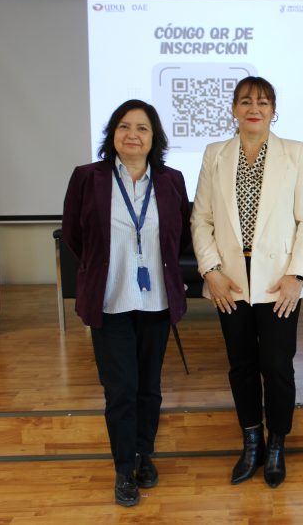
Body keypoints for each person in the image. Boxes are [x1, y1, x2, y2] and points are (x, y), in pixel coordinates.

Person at [191, 76, 303, 489]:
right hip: (229, 281)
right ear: (234, 108)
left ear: (273, 111)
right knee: (242, 365)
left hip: (279, 283)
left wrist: (296, 276)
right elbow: (201, 220)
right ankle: (252, 443)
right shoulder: (215, 154)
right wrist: (210, 271)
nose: (254, 108)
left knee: (278, 366)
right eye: (246, 101)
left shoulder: (295, 153)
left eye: (263, 102)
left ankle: (277, 443)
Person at [62, 99, 191, 507]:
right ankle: (123, 469)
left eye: (142, 128)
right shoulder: (88, 177)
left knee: (149, 388)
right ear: (112, 134)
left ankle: (143, 454)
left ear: (155, 138)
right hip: (110, 299)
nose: (132, 135)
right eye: (124, 126)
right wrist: (105, 267)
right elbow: (74, 234)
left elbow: (179, 238)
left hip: (156, 302)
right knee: (121, 390)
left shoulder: (171, 181)